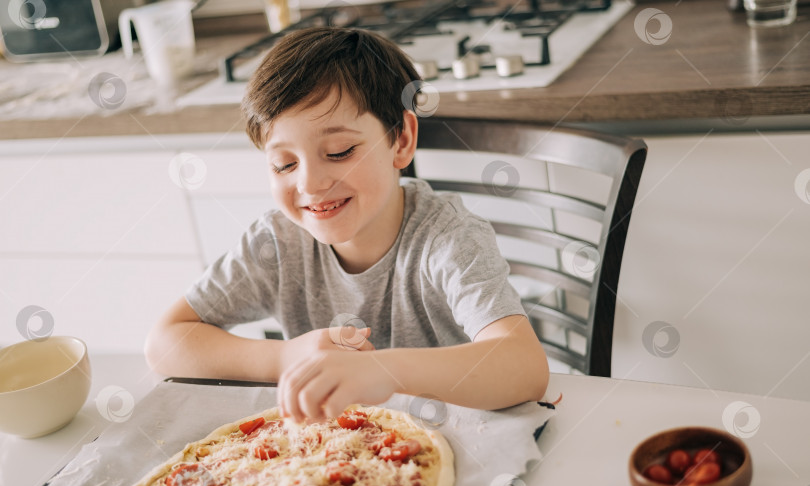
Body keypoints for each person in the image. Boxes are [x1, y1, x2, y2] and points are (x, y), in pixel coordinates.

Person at [144, 27, 549, 423]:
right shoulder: (277, 242)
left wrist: (383, 372)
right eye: (284, 163)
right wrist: (286, 356)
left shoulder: (447, 237)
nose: (309, 184)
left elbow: (523, 366)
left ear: (402, 140)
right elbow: (164, 343)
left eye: (339, 152)